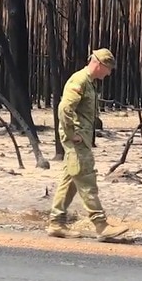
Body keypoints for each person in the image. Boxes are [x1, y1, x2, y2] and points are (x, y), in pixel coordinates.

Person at [47, 48, 129, 241]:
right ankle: (101, 225)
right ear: (99, 64)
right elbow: (65, 108)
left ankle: (56, 223)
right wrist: (71, 134)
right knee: (86, 178)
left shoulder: (89, 83)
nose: (108, 73)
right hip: (77, 140)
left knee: (70, 180)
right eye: (107, 69)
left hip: (81, 138)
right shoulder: (80, 80)